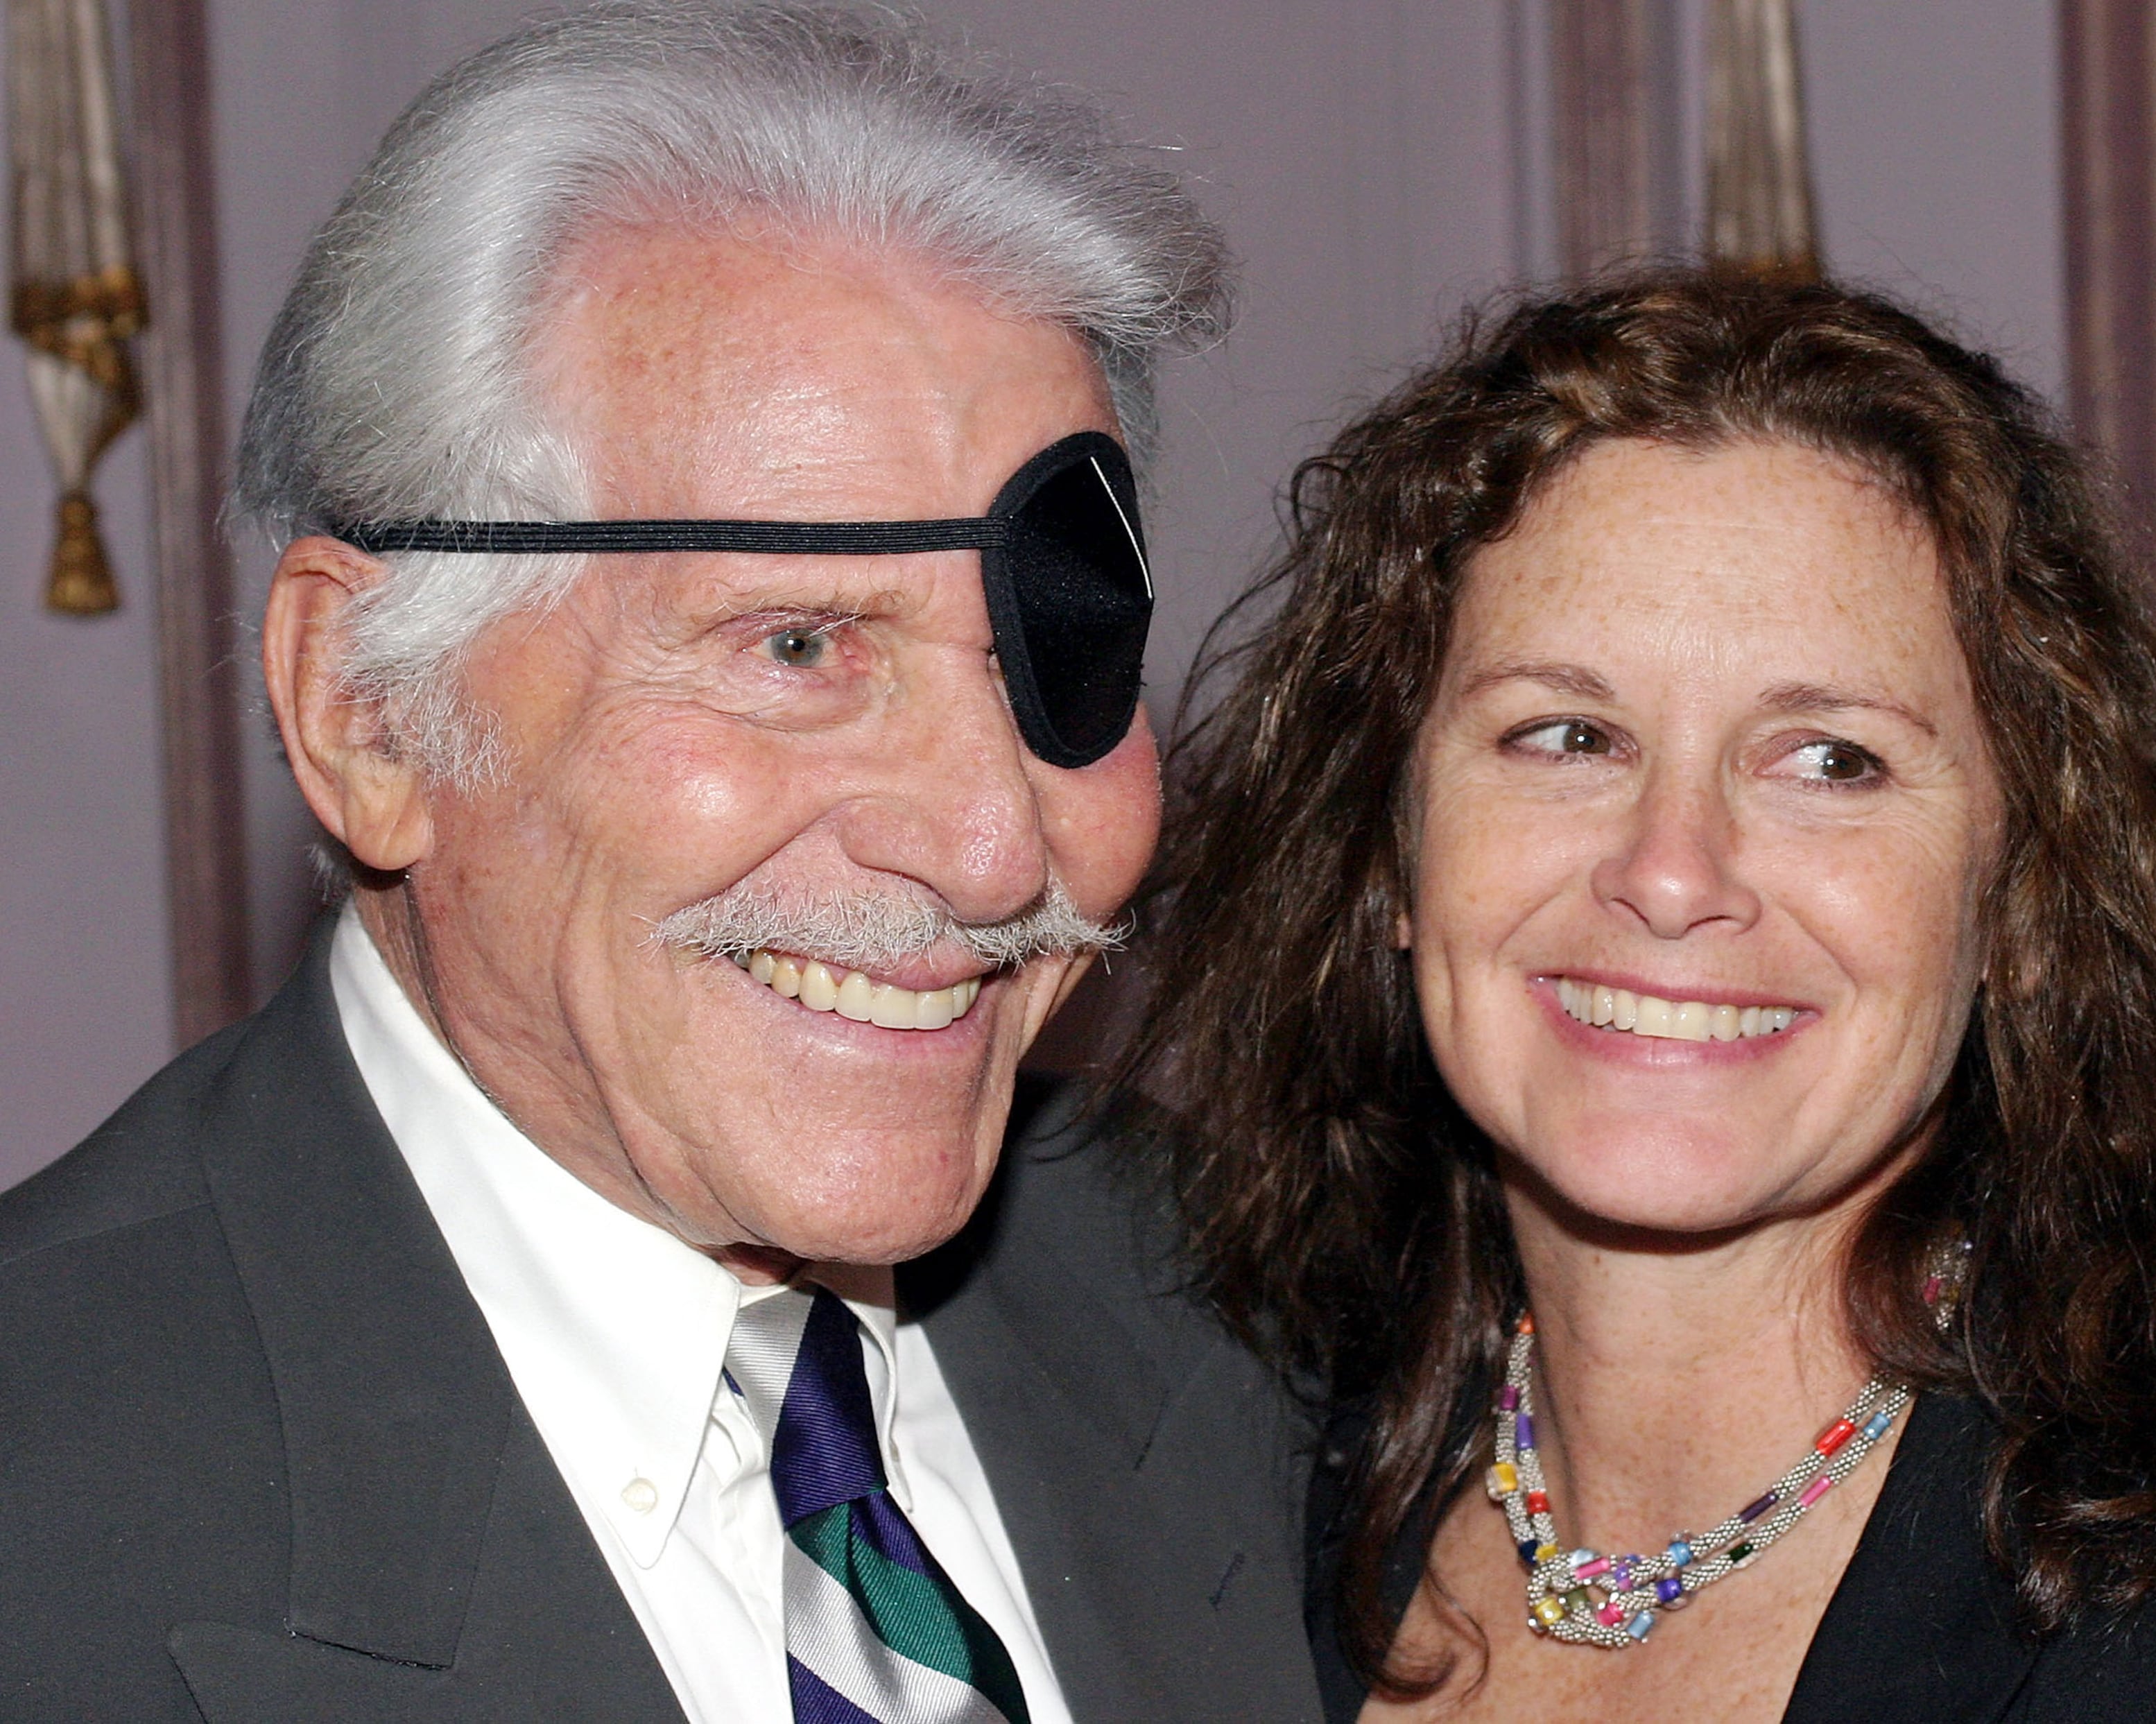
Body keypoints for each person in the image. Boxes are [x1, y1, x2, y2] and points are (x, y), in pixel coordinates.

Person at [0, 7, 1320, 1722]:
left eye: (1056, 664)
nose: (996, 850)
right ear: (368, 714)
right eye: (796, 649)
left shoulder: (1272, 1315)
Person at [1126, 267, 2156, 1721]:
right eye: (1566, 733)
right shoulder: (1204, 1529)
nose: (1672, 869)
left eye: (1831, 760)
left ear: (2023, 899)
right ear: (1386, 850)